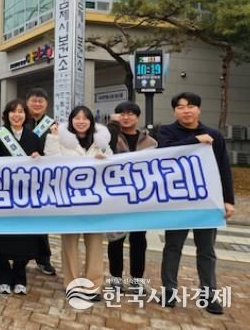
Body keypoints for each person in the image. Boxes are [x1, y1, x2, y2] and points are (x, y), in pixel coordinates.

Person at [157, 92, 235, 314]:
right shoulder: (166, 132)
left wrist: (228, 200)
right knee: (173, 247)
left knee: (206, 250)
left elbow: (224, 169)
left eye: (190, 106)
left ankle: (209, 295)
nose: (186, 111)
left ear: (199, 109)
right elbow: (165, 154)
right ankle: (169, 291)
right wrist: (195, 141)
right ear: (175, 111)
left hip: (207, 201)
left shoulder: (214, 135)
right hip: (178, 201)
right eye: (180, 107)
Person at [44, 105, 112, 301]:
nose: (81, 121)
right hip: (69, 201)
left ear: (91, 121)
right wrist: (53, 137)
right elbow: (51, 162)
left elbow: (113, 163)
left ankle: (94, 285)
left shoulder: (101, 141)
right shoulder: (61, 140)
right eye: (77, 118)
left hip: (95, 201)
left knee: (95, 244)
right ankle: (71, 283)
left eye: (85, 118)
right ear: (71, 121)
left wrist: (105, 159)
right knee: (70, 244)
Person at [0, 98, 44, 295]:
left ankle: (19, 278)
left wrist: (39, 158)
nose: (17, 115)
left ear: (26, 115)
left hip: (25, 197)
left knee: (23, 240)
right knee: (2, 238)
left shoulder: (33, 137)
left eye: (20, 111)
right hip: (3, 195)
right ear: (6, 115)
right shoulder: (0, 133)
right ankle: (2, 278)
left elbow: (44, 161)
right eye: (13, 111)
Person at [105, 101, 157, 294]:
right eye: (122, 114)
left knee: (139, 240)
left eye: (130, 114)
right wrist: (113, 126)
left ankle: (137, 280)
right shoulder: (110, 137)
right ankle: (116, 279)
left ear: (137, 117)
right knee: (115, 240)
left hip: (141, 199)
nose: (126, 117)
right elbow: (104, 151)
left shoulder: (150, 142)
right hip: (116, 198)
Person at [24, 87, 57, 276]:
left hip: (43, 181)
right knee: (22, 219)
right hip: (20, 180)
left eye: (41, 101)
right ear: (27, 102)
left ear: (46, 104)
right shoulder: (19, 120)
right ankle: (20, 256)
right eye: (33, 100)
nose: (37, 104)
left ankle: (43, 259)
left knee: (42, 221)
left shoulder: (52, 125)